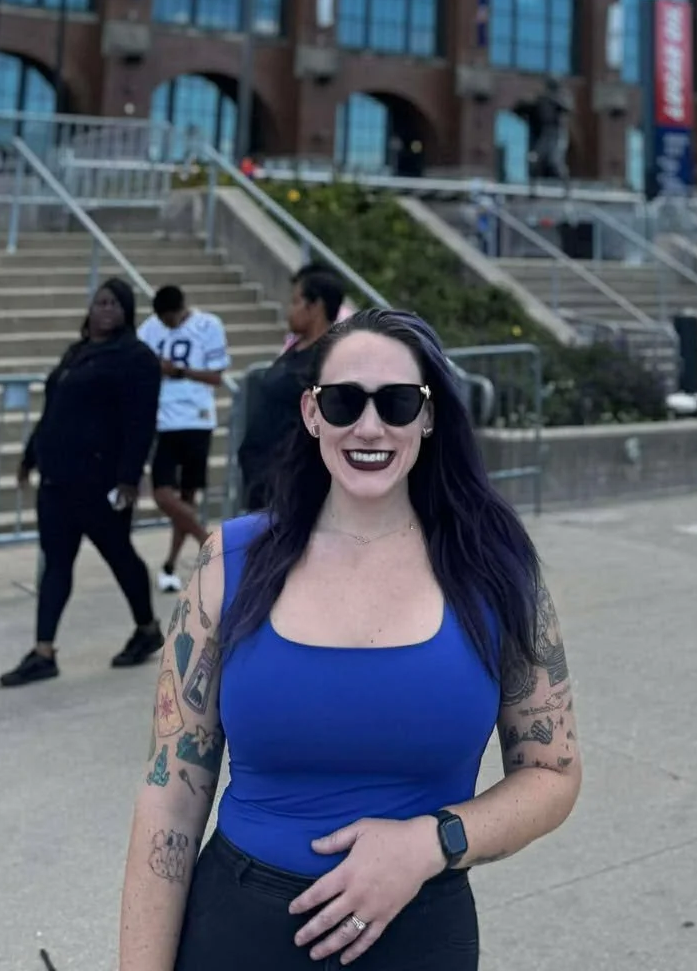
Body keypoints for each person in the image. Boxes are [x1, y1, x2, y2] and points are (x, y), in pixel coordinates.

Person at [119, 307, 581, 971]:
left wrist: (435, 840)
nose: (370, 426)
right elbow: (171, 792)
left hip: (419, 933)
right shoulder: (230, 561)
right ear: (311, 414)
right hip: (235, 932)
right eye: (344, 402)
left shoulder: (496, 570)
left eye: (397, 403)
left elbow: (552, 773)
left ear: (428, 415)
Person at [1, 277, 163, 687]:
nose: (105, 309)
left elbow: (140, 422)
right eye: (99, 302)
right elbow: (54, 410)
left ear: (127, 313)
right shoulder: (77, 353)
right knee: (56, 562)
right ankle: (43, 651)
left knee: (118, 555)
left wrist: (129, 477)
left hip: (100, 479)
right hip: (57, 477)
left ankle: (146, 629)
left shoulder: (135, 357)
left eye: (114, 304)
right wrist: (30, 454)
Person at [140, 285, 231, 595]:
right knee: (164, 494)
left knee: (188, 499)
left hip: (197, 419)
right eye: (163, 320)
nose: (167, 324)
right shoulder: (149, 329)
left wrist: (179, 372)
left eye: (172, 319)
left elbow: (217, 377)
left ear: (182, 309)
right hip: (163, 421)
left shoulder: (209, 325)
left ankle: (169, 565)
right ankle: (210, 545)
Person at [237, 265, 347, 510]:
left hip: (290, 489)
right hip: (262, 484)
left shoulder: (330, 360)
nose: (290, 310)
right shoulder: (295, 351)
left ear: (315, 306)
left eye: (296, 302)